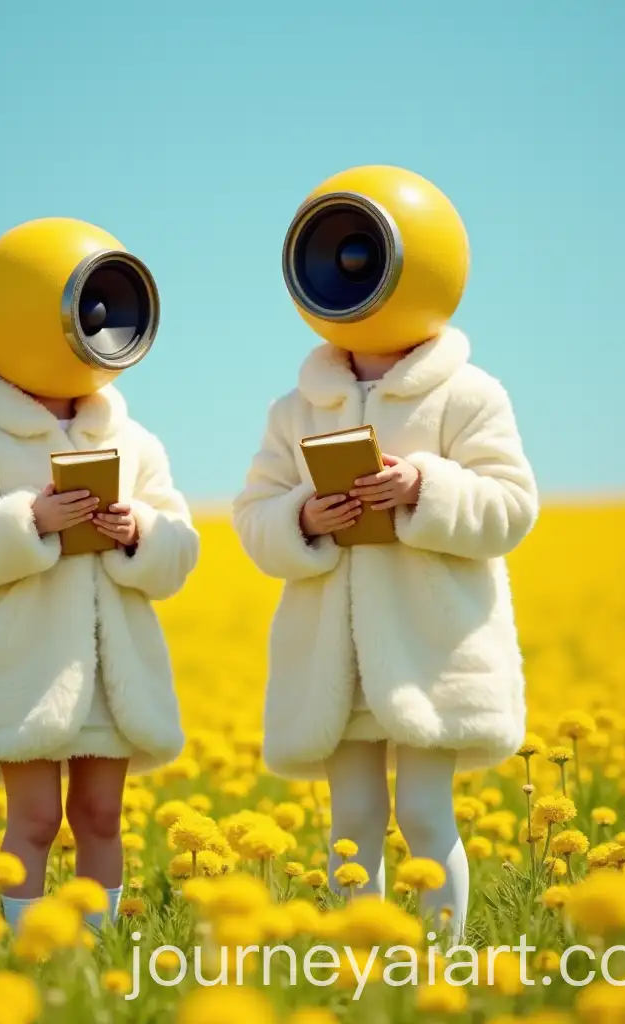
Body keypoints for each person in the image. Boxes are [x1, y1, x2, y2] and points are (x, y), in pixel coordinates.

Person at [233, 166, 538, 939]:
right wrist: (307, 513)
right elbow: (254, 517)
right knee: (352, 822)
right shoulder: (295, 408)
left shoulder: (471, 396)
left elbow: (510, 509)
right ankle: (362, 966)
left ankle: (444, 963)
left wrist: (421, 489)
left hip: (430, 652)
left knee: (428, 816)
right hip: (337, 660)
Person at [0, 218, 198, 932]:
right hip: (23, 670)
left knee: (102, 814)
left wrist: (138, 532)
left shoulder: (135, 442)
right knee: (36, 820)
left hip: (112, 669)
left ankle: (96, 954)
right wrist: (32, 520)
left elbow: (180, 552)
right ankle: (27, 950)